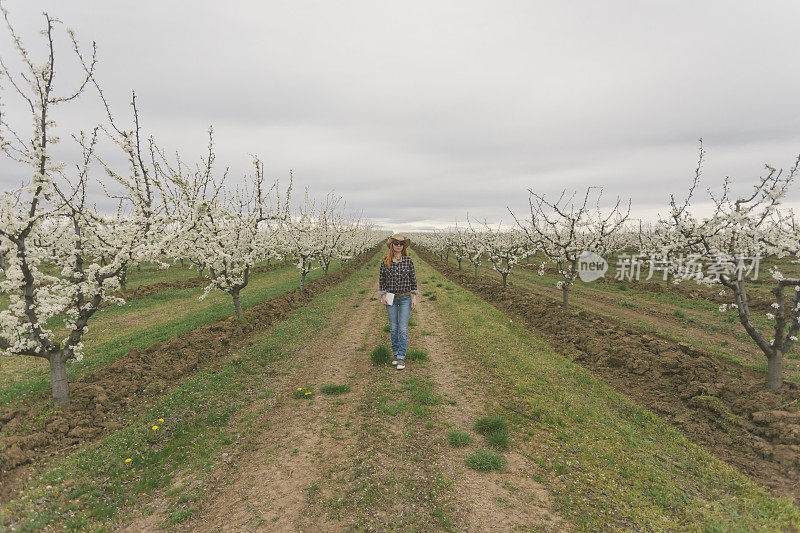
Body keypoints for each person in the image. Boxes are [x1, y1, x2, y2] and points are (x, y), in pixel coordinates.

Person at [378, 234, 419, 370]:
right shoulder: (385, 261)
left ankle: (401, 357)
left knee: (402, 328)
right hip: (391, 298)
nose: (398, 246)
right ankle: (395, 354)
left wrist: (414, 297)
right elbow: (382, 279)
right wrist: (383, 295)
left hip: (405, 297)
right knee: (394, 327)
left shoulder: (408, 261)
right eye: (396, 243)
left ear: (404, 246)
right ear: (392, 245)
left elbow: (413, 279)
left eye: (401, 244)